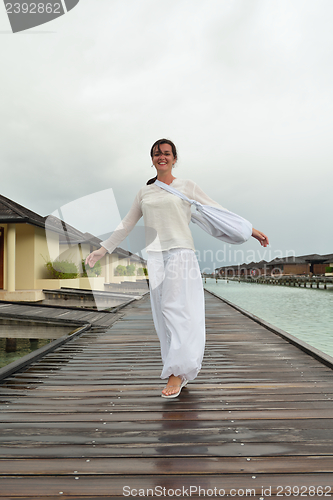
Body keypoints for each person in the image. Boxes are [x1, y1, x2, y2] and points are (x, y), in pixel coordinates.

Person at [85, 139, 269, 398]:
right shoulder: (144, 192)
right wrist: (103, 249)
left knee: (175, 308)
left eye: (167, 153)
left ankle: (175, 373)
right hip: (156, 256)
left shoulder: (187, 187)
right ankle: (180, 369)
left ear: (174, 159)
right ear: (152, 159)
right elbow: (127, 224)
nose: (162, 157)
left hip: (181, 253)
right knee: (164, 313)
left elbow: (217, 211)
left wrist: (251, 230)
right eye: (157, 154)